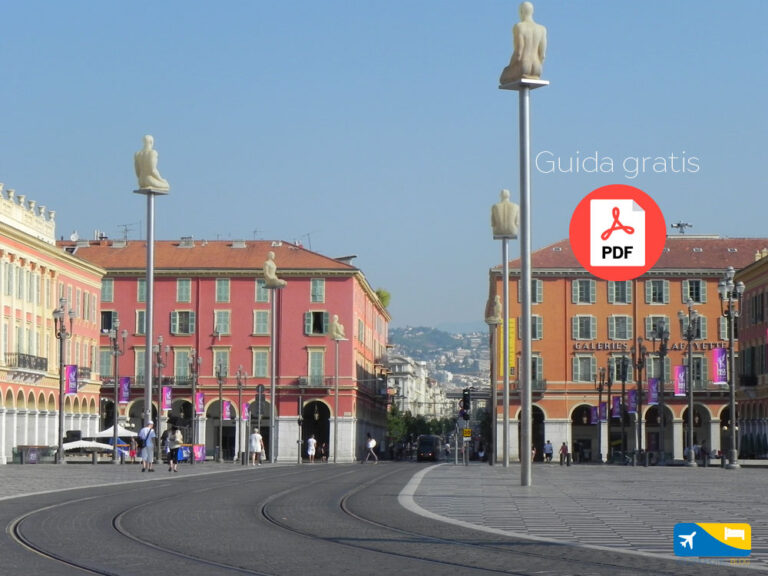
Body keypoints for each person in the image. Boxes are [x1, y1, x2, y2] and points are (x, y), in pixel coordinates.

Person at [499, 1, 548, 85]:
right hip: (537, 68)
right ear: (532, 12)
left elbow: (518, 53)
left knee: (503, 77)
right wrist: (538, 66)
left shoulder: (519, 26)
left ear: (521, 12)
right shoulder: (542, 29)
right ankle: (533, 75)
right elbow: (542, 55)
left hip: (523, 66)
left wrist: (510, 67)